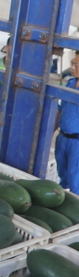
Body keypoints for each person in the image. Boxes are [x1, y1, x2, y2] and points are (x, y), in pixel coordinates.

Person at [56, 52, 79, 191]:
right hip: (62, 138)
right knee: (63, 177)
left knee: (75, 180)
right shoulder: (70, 83)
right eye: (72, 64)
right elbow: (60, 108)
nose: (72, 68)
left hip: (77, 142)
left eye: (76, 65)